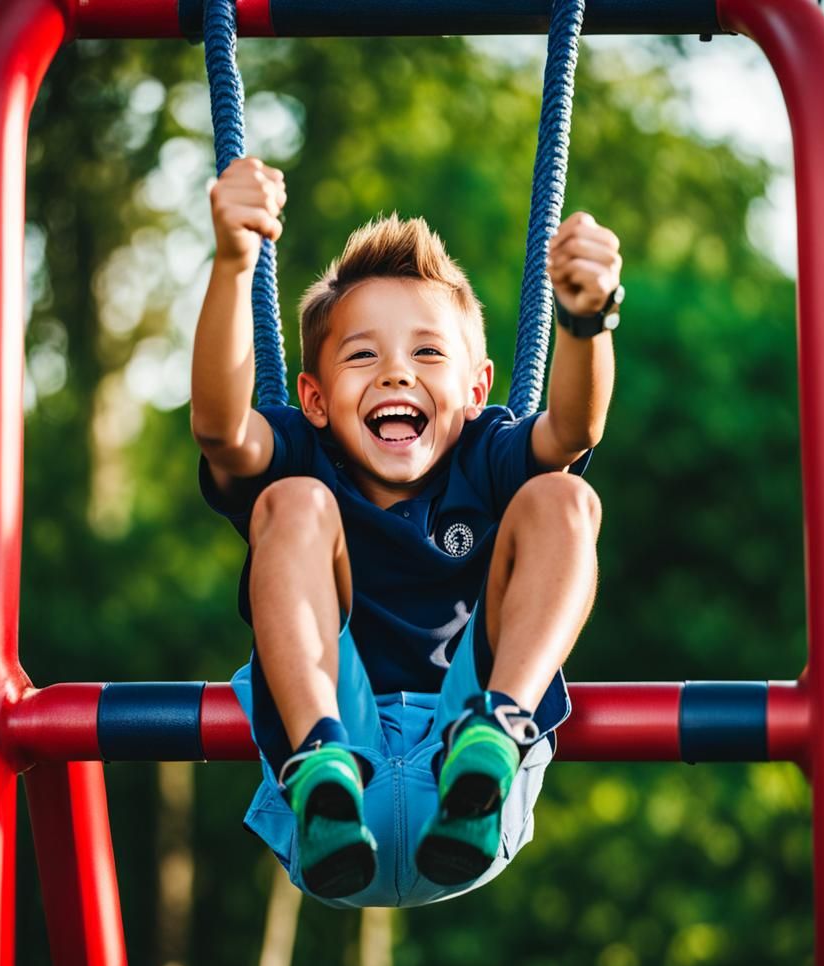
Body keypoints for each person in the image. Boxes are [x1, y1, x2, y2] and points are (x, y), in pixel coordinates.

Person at [192, 156, 619, 908]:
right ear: (315, 400)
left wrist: (585, 323)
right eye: (363, 355)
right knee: (289, 504)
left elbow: (575, 428)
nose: (395, 374)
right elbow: (222, 433)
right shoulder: (302, 452)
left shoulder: (487, 453)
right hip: (327, 778)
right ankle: (320, 758)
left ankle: (498, 731)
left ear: (477, 390)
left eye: (427, 353)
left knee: (565, 500)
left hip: (467, 765)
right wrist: (233, 263)